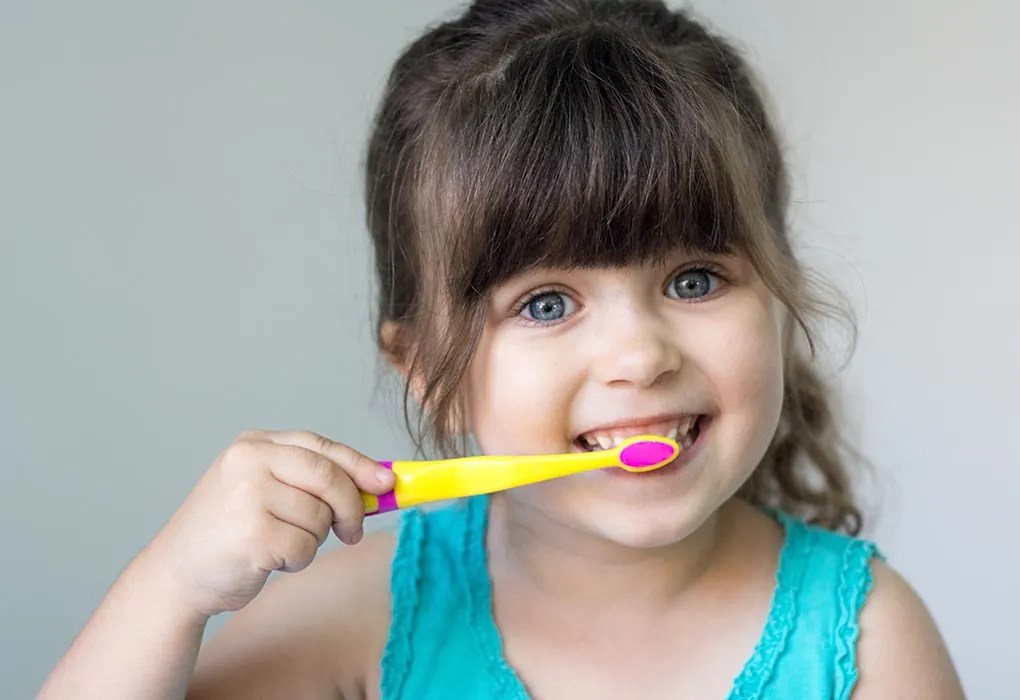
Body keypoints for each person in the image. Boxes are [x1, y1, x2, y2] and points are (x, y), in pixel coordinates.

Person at [41, 1, 965, 697]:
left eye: (694, 280)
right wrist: (169, 589)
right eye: (548, 302)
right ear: (426, 373)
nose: (639, 356)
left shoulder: (870, 640)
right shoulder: (357, 620)